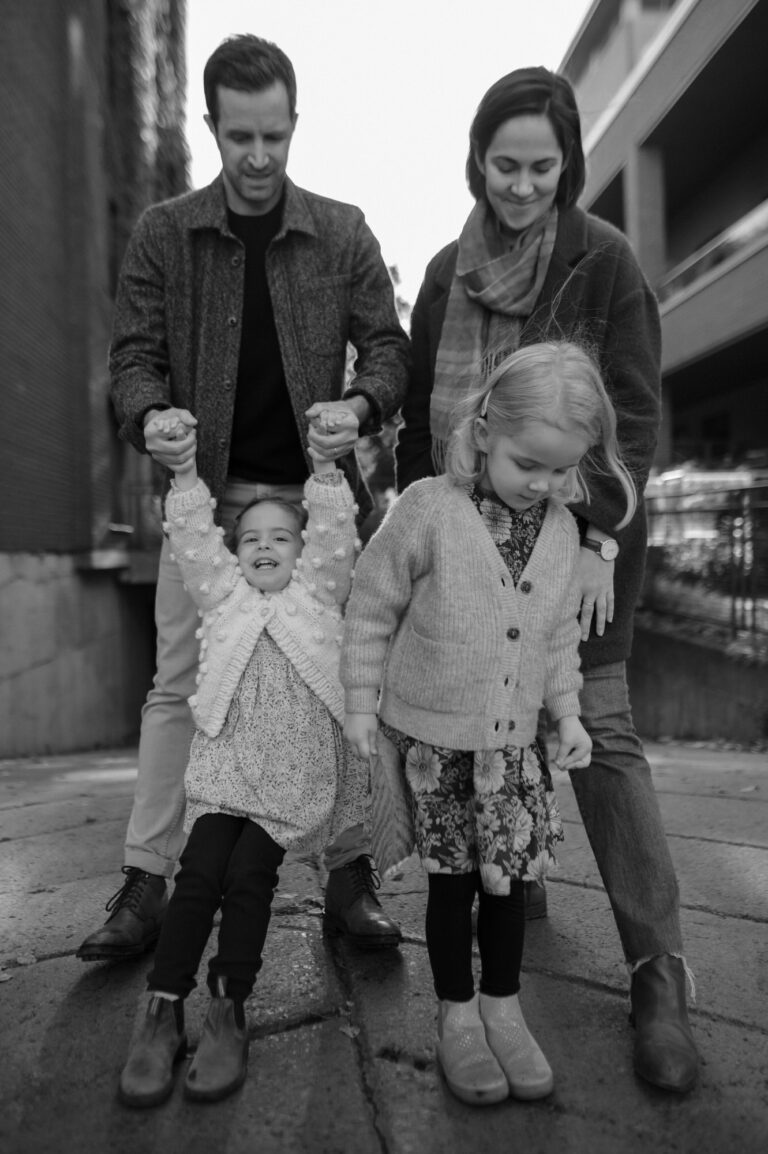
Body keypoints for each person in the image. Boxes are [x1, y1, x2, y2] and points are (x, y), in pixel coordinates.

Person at [394, 66, 698, 1094]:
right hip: (470, 550)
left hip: (580, 539)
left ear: (567, 165)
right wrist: (420, 537)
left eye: (542, 166)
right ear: (476, 160)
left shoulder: (604, 263)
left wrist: (609, 538)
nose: (521, 186)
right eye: (503, 164)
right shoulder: (446, 270)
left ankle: (658, 967)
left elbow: (638, 417)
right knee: (475, 725)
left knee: (601, 732)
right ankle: (507, 898)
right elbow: (418, 435)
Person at [77, 34, 408, 964]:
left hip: (316, 501)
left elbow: (388, 347)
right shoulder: (163, 233)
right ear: (213, 129)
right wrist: (151, 415)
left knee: (338, 684)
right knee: (178, 685)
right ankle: (147, 882)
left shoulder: (341, 231)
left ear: (294, 125)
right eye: (238, 138)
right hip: (207, 495)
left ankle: (350, 875)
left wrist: (360, 402)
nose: (257, 157)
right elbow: (130, 360)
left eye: (273, 136)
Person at [341, 341, 636, 1105]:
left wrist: (568, 713)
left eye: (561, 470)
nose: (543, 484)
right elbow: (372, 607)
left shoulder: (564, 531)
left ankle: (504, 1008)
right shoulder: (427, 511)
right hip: (438, 747)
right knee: (453, 887)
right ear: (481, 435)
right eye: (527, 463)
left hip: (513, 752)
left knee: (510, 890)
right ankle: (458, 1014)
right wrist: (359, 705)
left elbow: (557, 636)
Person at [119, 410, 372, 1107]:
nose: (266, 545)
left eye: (281, 537)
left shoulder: (318, 596)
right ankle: (162, 1008)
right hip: (225, 770)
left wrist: (324, 472)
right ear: (237, 553)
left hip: (289, 779)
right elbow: (196, 543)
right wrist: (183, 474)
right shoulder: (224, 599)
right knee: (199, 874)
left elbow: (333, 538)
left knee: (249, 877)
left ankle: (229, 1007)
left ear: (300, 551)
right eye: (251, 537)